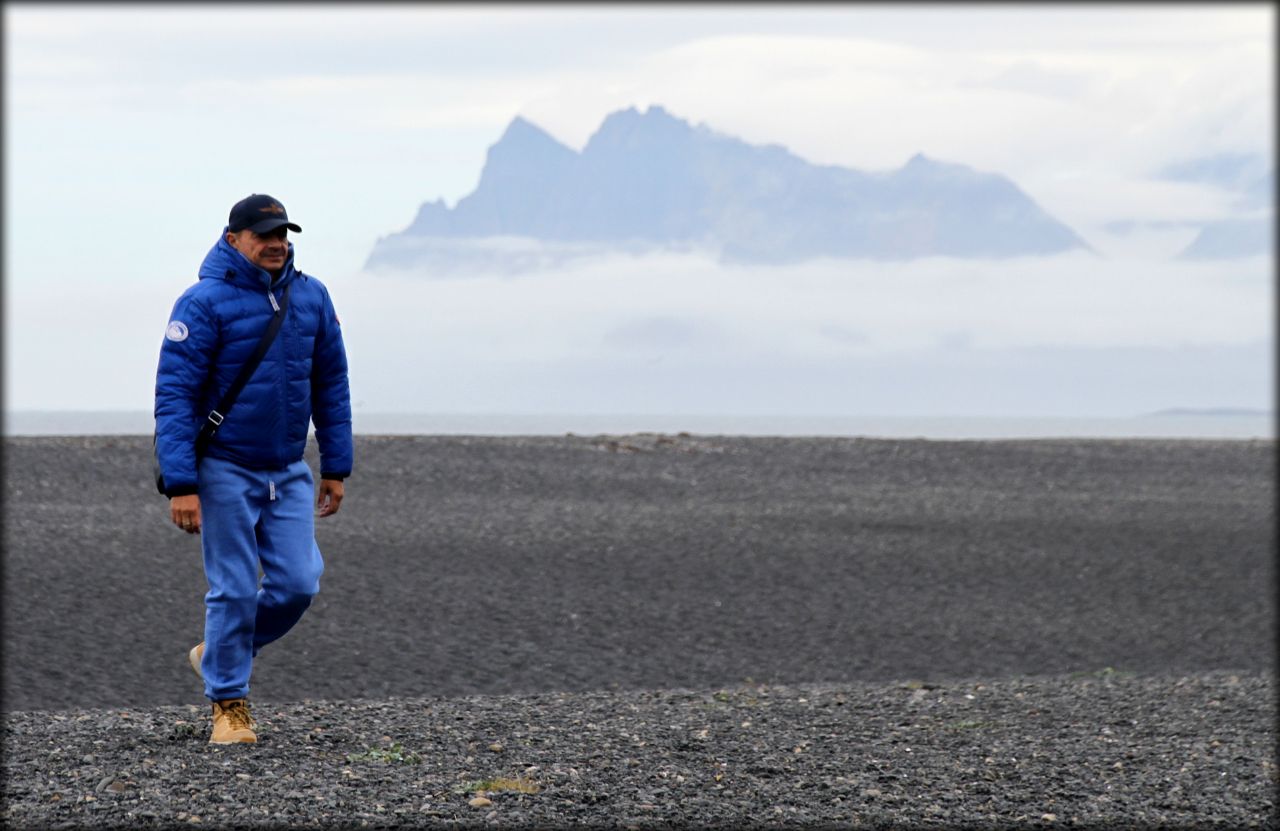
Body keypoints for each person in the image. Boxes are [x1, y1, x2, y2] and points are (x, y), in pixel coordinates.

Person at [154, 193, 352, 744]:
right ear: (232, 239)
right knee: (235, 588)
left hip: (289, 470)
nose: (275, 244)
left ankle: (218, 650)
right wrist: (182, 483)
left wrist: (336, 465)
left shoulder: (311, 297)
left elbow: (331, 384)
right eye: (263, 234)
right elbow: (174, 397)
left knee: (298, 584)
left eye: (282, 234)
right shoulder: (201, 303)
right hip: (223, 468)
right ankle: (229, 706)